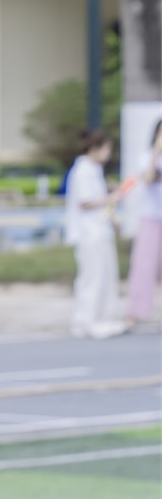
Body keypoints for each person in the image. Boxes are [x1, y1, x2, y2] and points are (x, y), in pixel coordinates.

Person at [66, 129, 125, 339]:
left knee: (105, 276)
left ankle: (102, 319)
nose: (108, 153)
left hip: (100, 230)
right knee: (92, 278)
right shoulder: (83, 170)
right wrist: (112, 198)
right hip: (88, 233)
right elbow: (85, 202)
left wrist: (113, 216)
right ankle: (86, 321)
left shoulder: (94, 170)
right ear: (95, 148)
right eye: (107, 148)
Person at [122, 119, 162, 325]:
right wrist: (156, 152)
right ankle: (136, 311)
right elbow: (147, 178)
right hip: (151, 217)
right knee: (143, 265)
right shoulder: (146, 157)